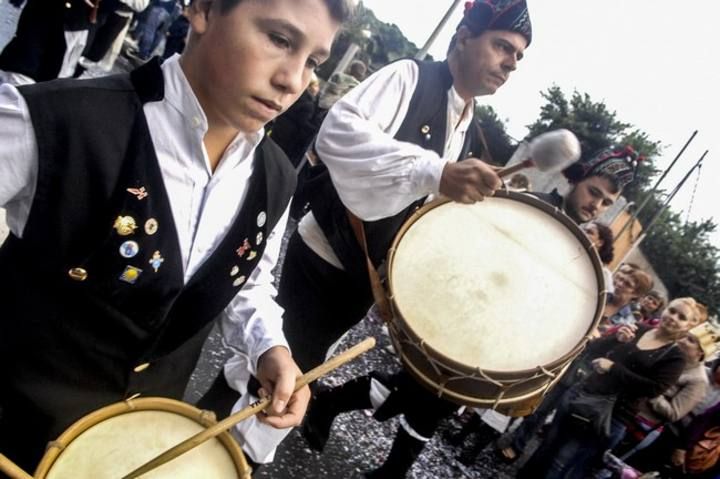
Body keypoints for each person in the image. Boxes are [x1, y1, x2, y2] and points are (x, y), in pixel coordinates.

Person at [0, 0, 352, 471]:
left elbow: (246, 280)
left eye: (312, 62)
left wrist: (270, 347)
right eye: (279, 40)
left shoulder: (276, 178)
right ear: (203, 9)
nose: (293, 80)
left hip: (134, 450)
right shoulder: (54, 121)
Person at [284, 1, 532, 476]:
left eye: (518, 56)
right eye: (502, 46)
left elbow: (412, 207)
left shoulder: (466, 122)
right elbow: (337, 133)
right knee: (277, 374)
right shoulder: (409, 77)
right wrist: (434, 170)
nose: (511, 62)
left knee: (299, 372)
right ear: (463, 36)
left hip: (360, 273)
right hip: (323, 257)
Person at [519, 297, 704, 479]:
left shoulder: (675, 358)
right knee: (546, 447)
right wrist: (616, 339)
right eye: (672, 311)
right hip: (581, 395)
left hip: (610, 414)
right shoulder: (639, 328)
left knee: (561, 463)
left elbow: (653, 389)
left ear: (688, 326)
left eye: (681, 317)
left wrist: (613, 368)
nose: (673, 317)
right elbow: (594, 350)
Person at [533, 144, 642, 225]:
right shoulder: (533, 206)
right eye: (593, 193)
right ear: (577, 181)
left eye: (606, 203)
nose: (596, 205)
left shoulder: (579, 246)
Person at [583, 220, 616, 296]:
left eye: (589, 232)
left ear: (600, 242)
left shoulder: (604, 275)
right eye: (584, 230)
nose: (584, 233)